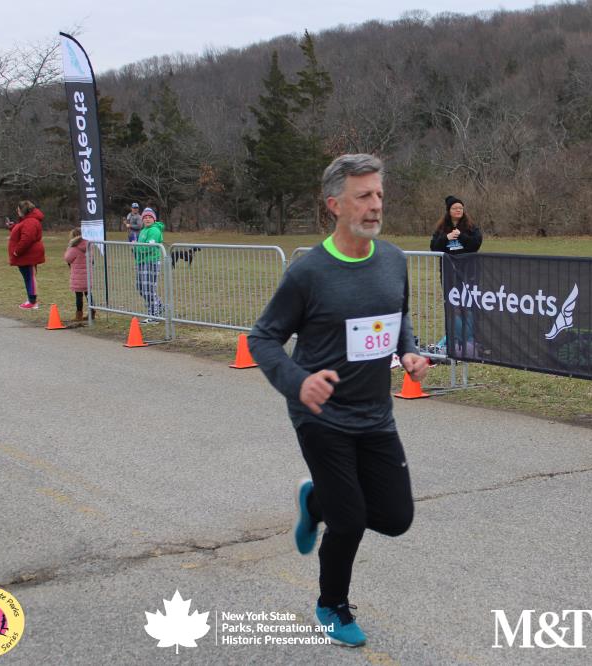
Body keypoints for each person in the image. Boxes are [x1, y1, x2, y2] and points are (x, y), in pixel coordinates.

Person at [248, 154, 430, 648]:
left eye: (379, 194)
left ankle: (316, 499)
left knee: (396, 518)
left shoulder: (393, 259)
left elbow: (398, 316)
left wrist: (409, 351)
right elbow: (262, 338)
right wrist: (297, 382)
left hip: (375, 413)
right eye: (363, 196)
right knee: (348, 521)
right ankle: (332, 605)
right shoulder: (308, 273)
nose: (376, 205)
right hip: (320, 414)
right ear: (335, 205)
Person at [429, 196, 483, 354]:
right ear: (449, 211)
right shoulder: (441, 229)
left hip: (468, 273)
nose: (458, 210)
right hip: (449, 274)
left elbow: (476, 244)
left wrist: (461, 236)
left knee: (468, 305)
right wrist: (446, 238)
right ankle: (456, 339)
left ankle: (471, 339)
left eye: (460, 208)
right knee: (454, 306)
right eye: (455, 208)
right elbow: (434, 247)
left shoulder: (470, 227)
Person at [8, 200, 46, 310]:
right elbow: (23, 231)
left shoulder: (30, 222)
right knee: (29, 277)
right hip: (27, 255)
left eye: (18, 209)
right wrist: (13, 227)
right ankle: (31, 299)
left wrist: (17, 251)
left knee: (30, 277)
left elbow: (27, 239)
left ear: (23, 210)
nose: (17, 211)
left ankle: (32, 301)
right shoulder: (27, 221)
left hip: (28, 255)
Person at [134, 208, 164, 323]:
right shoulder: (143, 231)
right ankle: (159, 306)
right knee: (141, 288)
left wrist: (136, 246)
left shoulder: (154, 231)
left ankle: (154, 316)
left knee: (149, 289)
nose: (147, 219)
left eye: (150, 217)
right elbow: (140, 247)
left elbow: (148, 247)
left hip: (151, 262)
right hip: (141, 262)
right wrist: (137, 247)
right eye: (145, 217)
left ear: (154, 219)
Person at [64, 227, 90, 322]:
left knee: (79, 295)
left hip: (78, 275)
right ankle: (92, 312)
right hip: (88, 274)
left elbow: (67, 258)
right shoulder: (89, 245)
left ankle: (79, 315)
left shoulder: (74, 247)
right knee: (88, 294)